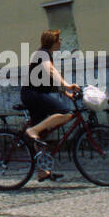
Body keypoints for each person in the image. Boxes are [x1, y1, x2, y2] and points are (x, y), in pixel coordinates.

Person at [21, 29, 81, 181]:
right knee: (66, 112)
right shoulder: (43, 53)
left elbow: (47, 77)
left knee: (40, 137)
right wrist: (67, 85)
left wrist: (66, 92)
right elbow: (50, 70)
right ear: (53, 41)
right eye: (59, 39)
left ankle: (42, 171)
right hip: (33, 95)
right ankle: (32, 130)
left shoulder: (45, 54)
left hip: (35, 94)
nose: (61, 42)